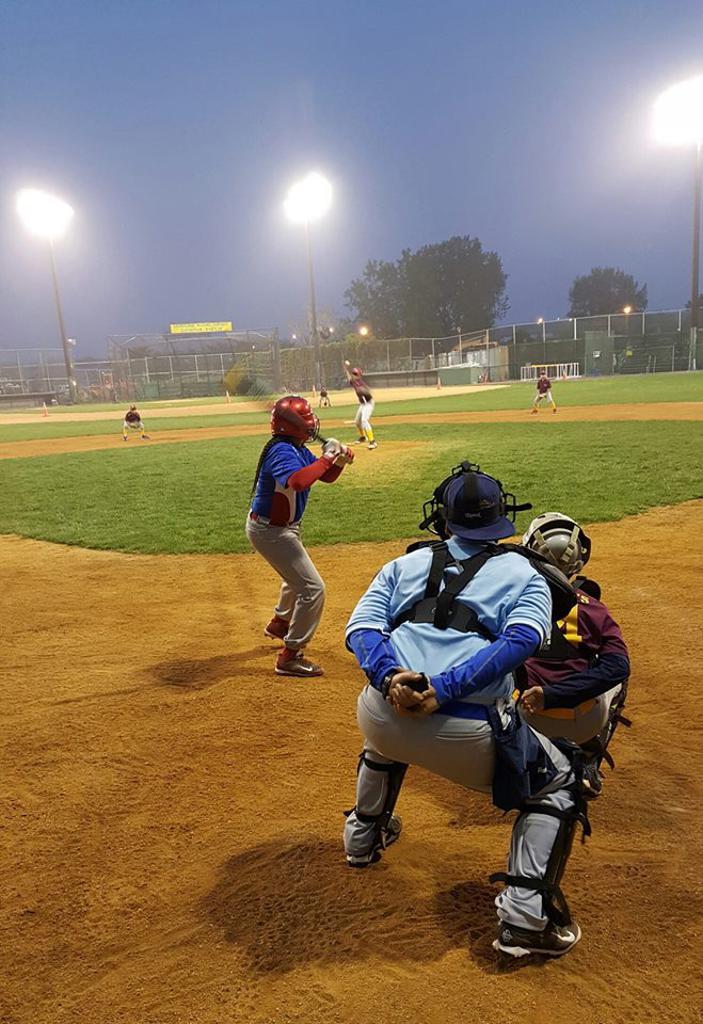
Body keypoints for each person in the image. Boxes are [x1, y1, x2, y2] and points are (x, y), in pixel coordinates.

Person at [343, 461, 590, 959]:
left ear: (444, 518)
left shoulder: (403, 564)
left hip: (381, 712)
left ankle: (361, 839)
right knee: (561, 781)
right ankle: (525, 919)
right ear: (503, 517)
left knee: (384, 736)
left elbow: (361, 630)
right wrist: (446, 688)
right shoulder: (525, 573)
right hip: (468, 732)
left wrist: (393, 679)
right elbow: (521, 641)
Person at [517, 513, 631, 797]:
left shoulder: (512, 598)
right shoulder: (594, 609)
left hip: (523, 718)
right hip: (581, 722)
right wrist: (554, 694)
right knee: (617, 673)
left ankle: (510, 754)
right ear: (580, 558)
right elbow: (618, 667)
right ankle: (589, 758)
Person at [247, 395, 353, 677]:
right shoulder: (281, 451)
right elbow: (297, 481)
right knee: (312, 589)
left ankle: (280, 624)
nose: (311, 423)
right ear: (294, 425)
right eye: (306, 419)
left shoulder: (295, 447)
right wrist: (327, 457)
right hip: (271, 531)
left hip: (281, 528)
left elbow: (322, 475)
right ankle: (290, 656)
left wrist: (338, 461)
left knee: (294, 578)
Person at [343, 362, 376, 449]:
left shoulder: (360, 383)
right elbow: (349, 377)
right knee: (358, 422)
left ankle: (372, 441)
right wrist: (346, 368)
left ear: (359, 375)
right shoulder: (354, 382)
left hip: (368, 403)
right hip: (363, 404)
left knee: (364, 420)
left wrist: (364, 390)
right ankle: (363, 437)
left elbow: (368, 392)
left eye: (356, 374)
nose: (354, 375)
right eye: (353, 373)